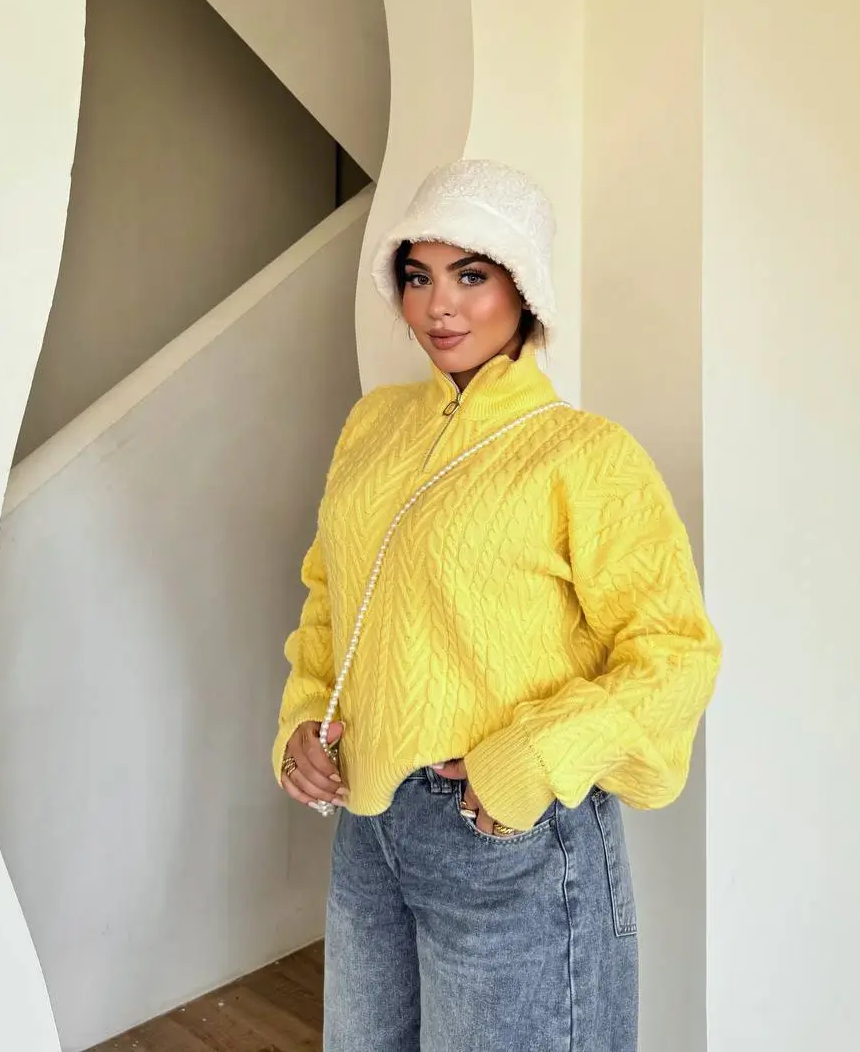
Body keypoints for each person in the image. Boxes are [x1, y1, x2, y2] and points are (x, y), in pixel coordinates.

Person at [273, 159, 721, 1052]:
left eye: (470, 275)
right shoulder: (372, 426)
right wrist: (303, 716)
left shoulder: (585, 454)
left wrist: (530, 758)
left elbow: (675, 651)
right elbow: (332, 595)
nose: (439, 305)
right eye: (418, 276)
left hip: (513, 840)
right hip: (370, 832)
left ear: (524, 287)